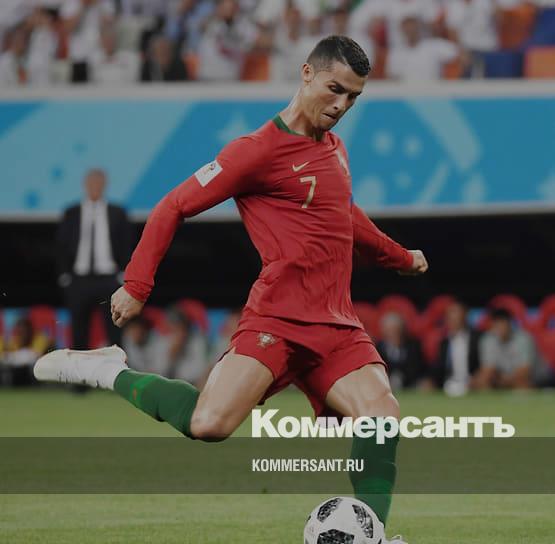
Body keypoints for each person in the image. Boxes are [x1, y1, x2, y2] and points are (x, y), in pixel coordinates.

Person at [35, 36, 426, 543]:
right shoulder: (256, 151)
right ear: (307, 73)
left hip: (336, 324)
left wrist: (400, 257)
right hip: (278, 321)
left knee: (382, 415)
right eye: (335, 89)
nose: (341, 105)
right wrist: (136, 283)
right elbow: (174, 205)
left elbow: (344, 216)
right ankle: (110, 370)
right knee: (209, 424)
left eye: (353, 96)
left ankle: (373, 534)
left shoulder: (334, 149)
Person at [56, 168, 132, 353]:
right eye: (91, 183)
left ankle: (116, 369)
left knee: (115, 333)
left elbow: (128, 244)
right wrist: (65, 276)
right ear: (85, 185)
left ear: (105, 185)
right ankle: (78, 372)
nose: (95, 187)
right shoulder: (72, 212)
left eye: (98, 183)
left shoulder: (117, 212)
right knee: (78, 334)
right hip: (79, 280)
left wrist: (123, 275)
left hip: (109, 280)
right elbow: (61, 245)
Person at [475, 308, 538, 390]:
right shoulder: (487, 340)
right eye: (496, 325)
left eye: (502, 324)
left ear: (510, 323)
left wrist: (505, 381)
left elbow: (525, 371)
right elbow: (487, 370)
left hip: (532, 380)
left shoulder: (524, 338)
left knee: (522, 384)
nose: (500, 328)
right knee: (482, 382)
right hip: (502, 380)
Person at [432, 300, 482, 396]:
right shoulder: (444, 343)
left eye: (456, 313)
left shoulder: (478, 338)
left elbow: (485, 364)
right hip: (449, 386)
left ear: (465, 316)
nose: (453, 318)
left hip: (473, 385)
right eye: (450, 315)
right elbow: (438, 370)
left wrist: (476, 380)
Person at [375, 311, 426, 390]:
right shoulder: (377, 348)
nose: (393, 334)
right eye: (390, 331)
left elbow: (420, 370)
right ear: (384, 332)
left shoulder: (413, 347)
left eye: (396, 330)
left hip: (411, 387)